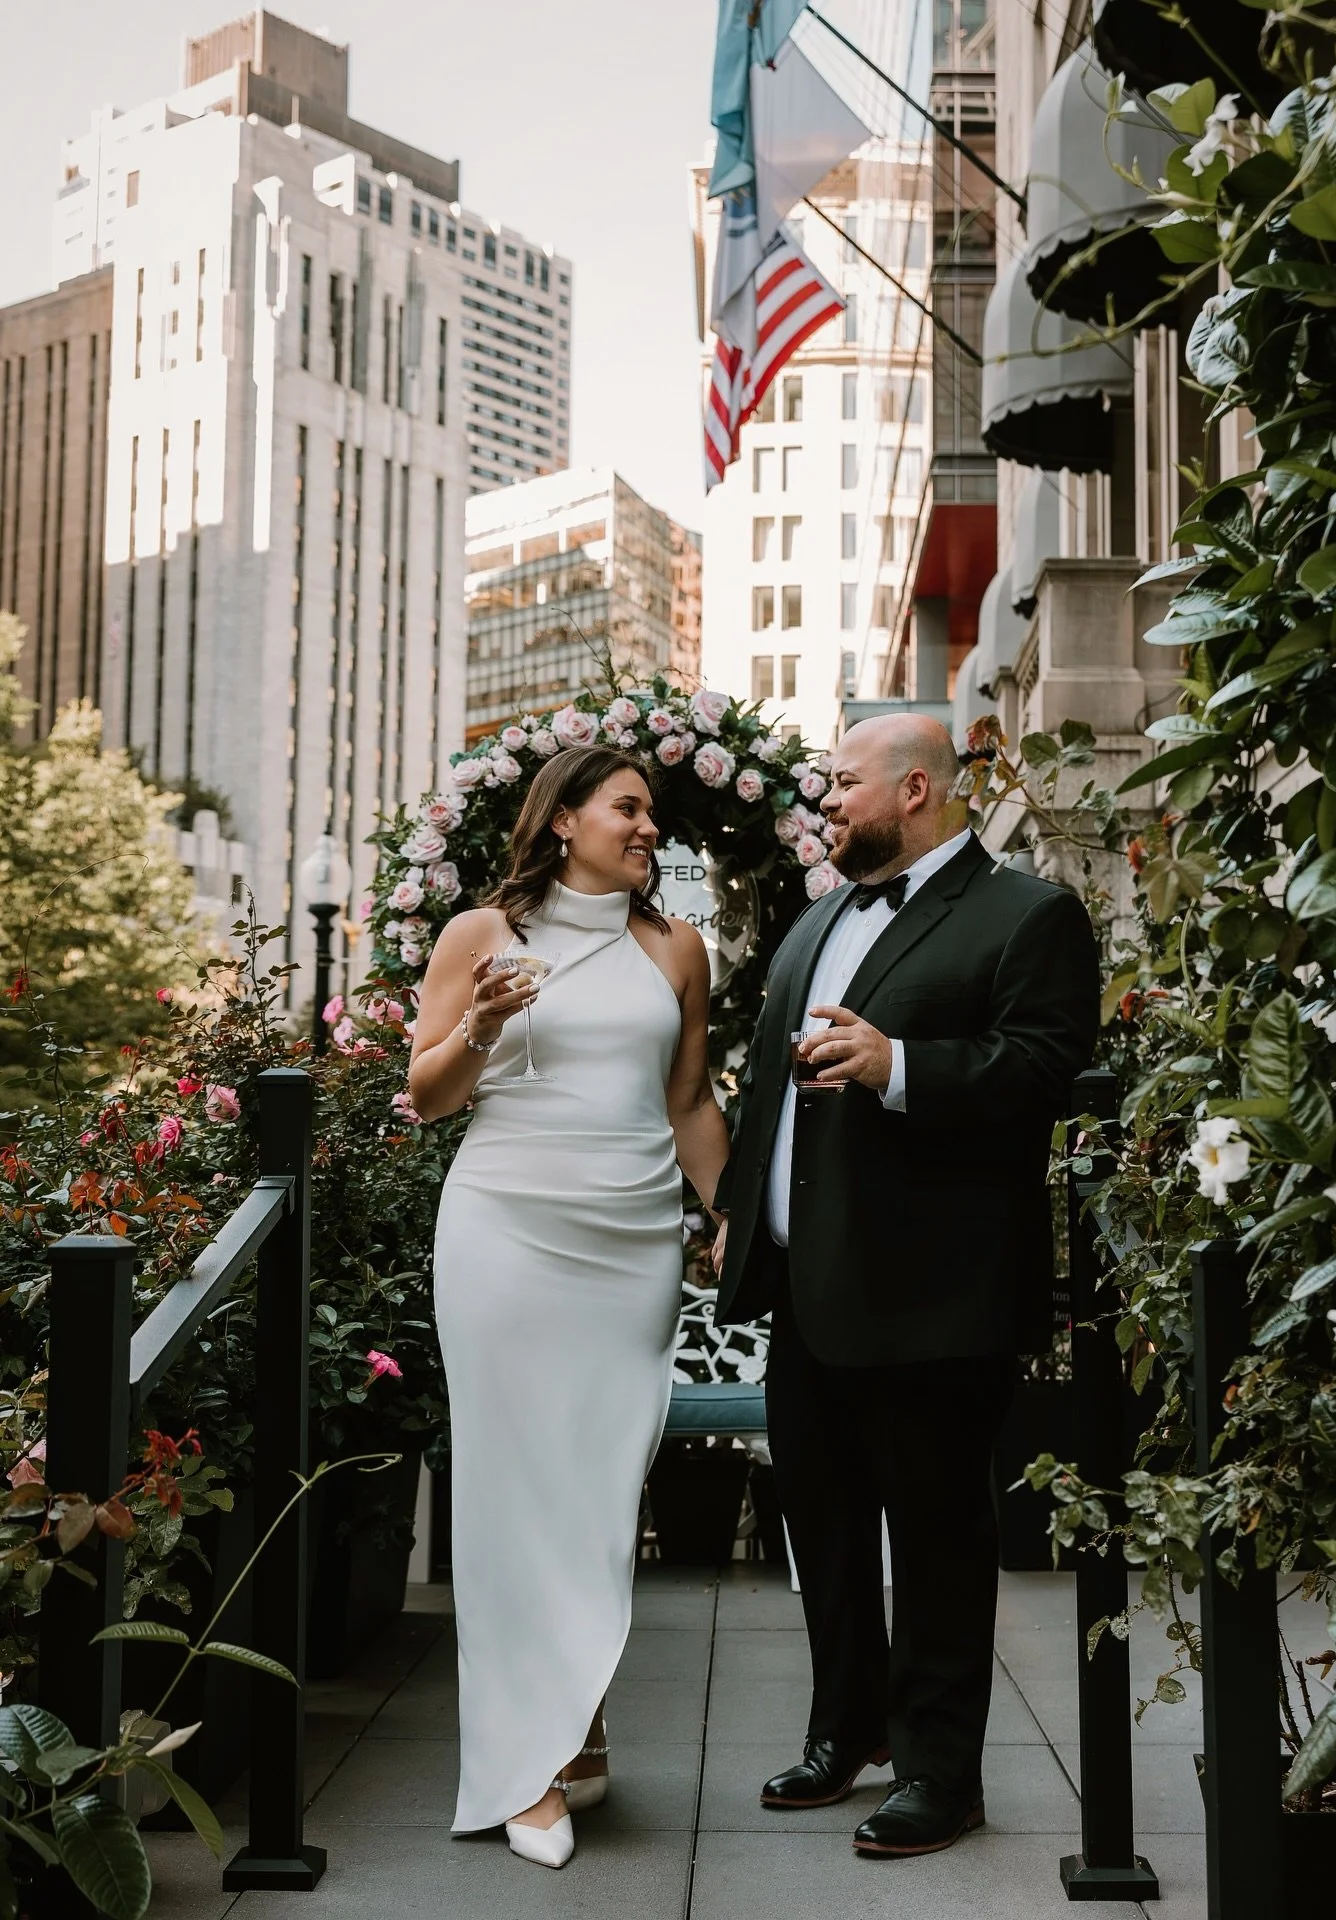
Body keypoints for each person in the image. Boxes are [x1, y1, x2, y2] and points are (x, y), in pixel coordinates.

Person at [711, 713, 1099, 1859]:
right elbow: (771, 1087)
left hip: (933, 1294)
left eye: (842, 784)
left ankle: (940, 1775)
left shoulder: (1028, 914)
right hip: (801, 1285)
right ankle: (845, 1734)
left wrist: (900, 1066)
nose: (827, 801)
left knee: (935, 1540)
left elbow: (1043, 1068)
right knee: (822, 1527)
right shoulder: (819, 915)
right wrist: (738, 1214)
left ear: (916, 787)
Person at [409, 745, 729, 1871]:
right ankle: (526, 1768)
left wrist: (728, 1214)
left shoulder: (677, 950)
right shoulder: (479, 938)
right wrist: (484, 1026)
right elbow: (426, 1095)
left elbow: (688, 1098)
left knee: (598, 1489)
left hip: (632, 1243)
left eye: (653, 813)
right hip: (505, 1230)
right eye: (628, 808)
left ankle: (579, 1725)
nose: (649, 828)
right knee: (511, 1488)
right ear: (564, 822)